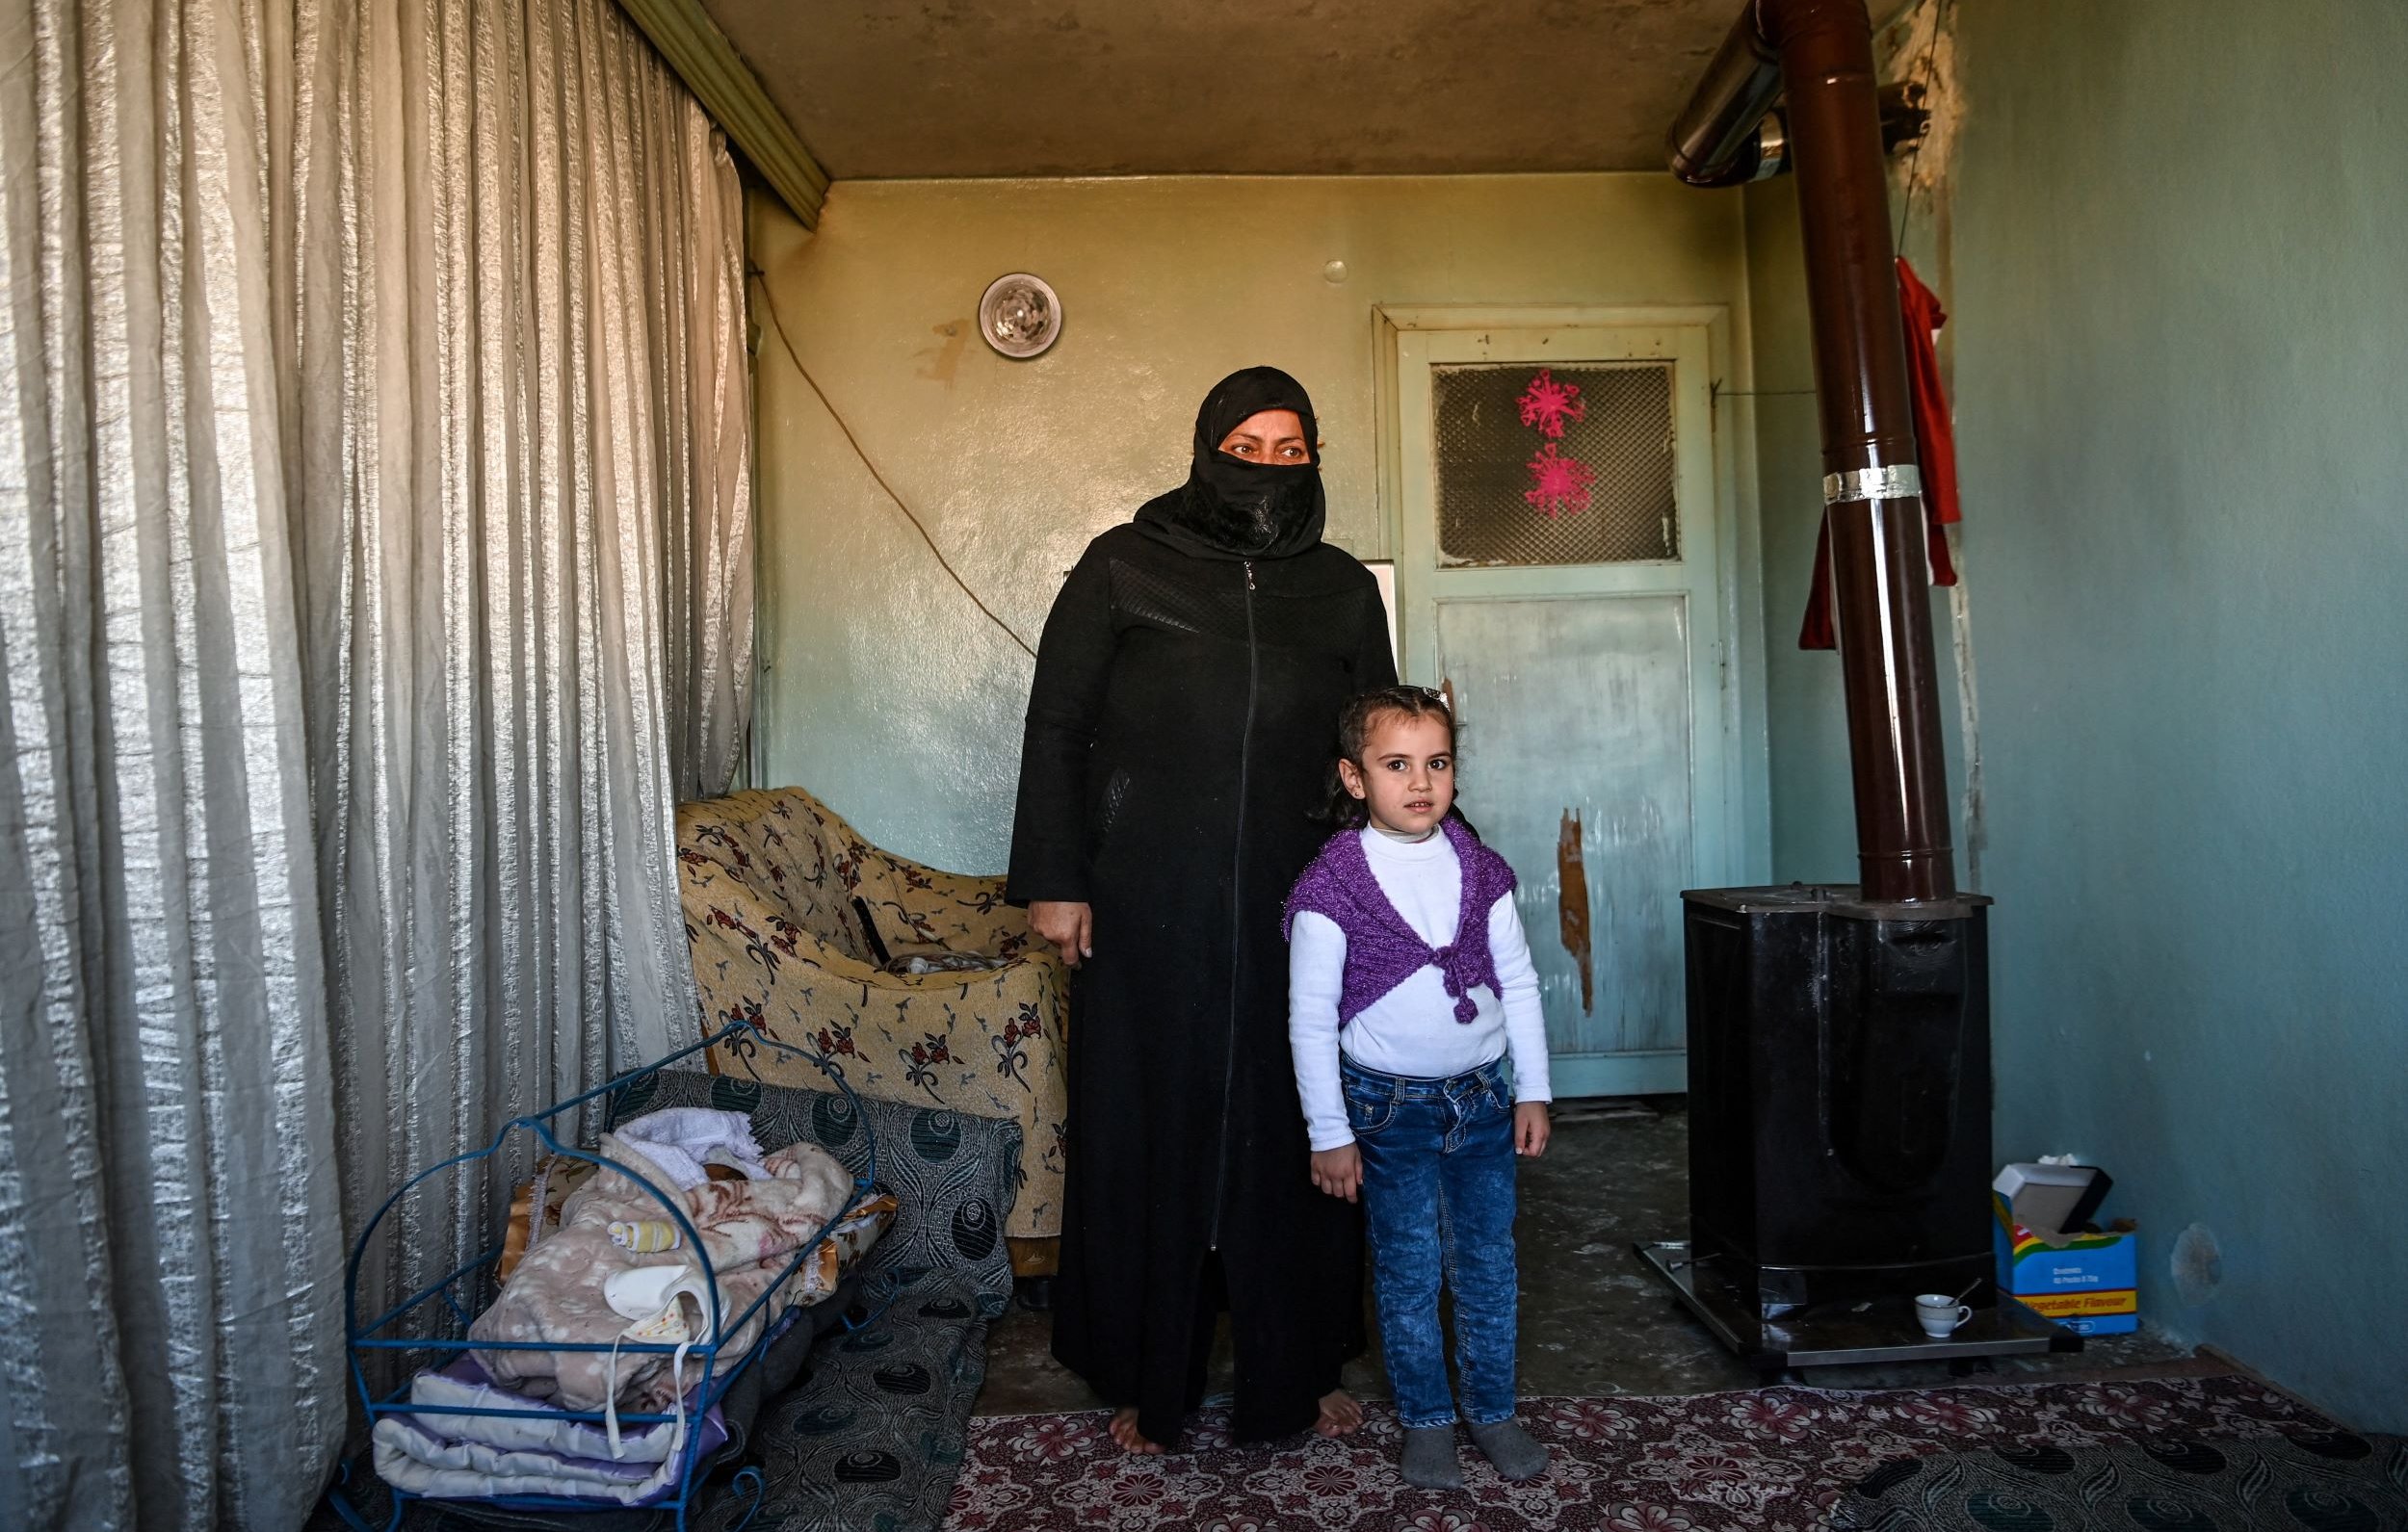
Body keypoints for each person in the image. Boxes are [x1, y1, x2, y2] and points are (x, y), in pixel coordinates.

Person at [1006, 366, 1399, 1454]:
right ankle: (1147, 1372)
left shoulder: (1340, 589)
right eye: (1247, 446)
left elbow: (1375, 744)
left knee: (1300, 1120)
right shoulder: (1123, 567)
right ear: (1204, 449)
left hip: (1303, 901)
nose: (1267, 469)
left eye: (1291, 450)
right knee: (1152, 1124)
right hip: (1148, 899)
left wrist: (1389, 891)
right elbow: (1058, 728)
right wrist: (1057, 877)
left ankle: (1300, 1362)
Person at [1284, 686, 1555, 1489]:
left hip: (1482, 1100)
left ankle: (1493, 1408)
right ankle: (1428, 1418)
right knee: (1407, 1269)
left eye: (1437, 762)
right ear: (1355, 777)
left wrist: (1532, 1089)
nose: (1421, 781)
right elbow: (1308, 1017)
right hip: (1385, 1109)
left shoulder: (1479, 868)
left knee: (1487, 1264)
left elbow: (1522, 983)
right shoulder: (1334, 882)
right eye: (1396, 764)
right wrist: (1327, 1131)